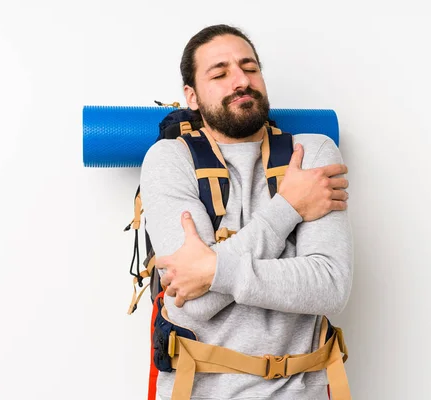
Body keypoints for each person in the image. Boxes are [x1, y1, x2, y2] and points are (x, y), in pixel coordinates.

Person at [140, 24, 353, 400]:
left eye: (250, 68)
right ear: (191, 96)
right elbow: (193, 302)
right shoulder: (169, 160)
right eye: (220, 73)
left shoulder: (312, 153)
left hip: (303, 389)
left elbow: (330, 286)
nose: (240, 80)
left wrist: (214, 269)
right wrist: (289, 208)